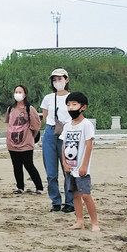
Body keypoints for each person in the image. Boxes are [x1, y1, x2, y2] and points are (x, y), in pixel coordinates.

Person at [59, 92, 99, 232]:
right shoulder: (67, 125)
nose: (71, 108)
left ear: (83, 107)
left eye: (74, 104)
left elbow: (89, 145)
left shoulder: (86, 125)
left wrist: (84, 165)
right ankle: (79, 220)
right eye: (69, 105)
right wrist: (64, 162)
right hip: (70, 167)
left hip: (82, 168)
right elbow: (63, 145)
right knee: (74, 194)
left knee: (86, 195)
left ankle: (94, 223)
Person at [40, 68, 74, 212]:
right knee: (51, 172)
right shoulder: (48, 98)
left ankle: (70, 202)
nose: (57, 82)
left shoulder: (73, 97)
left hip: (68, 133)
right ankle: (55, 201)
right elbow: (45, 117)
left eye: (60, 79)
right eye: (54, 79)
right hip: (50, 132)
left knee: (68, 169)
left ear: (66, 79)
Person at [6, 85, 44, 194]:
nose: (18, 94)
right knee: (16, 165)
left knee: (29, 164)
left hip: (26, 143)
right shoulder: (10, 109)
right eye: (16, 91)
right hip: (12, 143)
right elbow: (9, 123)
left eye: (20, 92)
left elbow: (36, 126)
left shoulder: (30, 109)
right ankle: (20, 187)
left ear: (25, 94)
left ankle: (39, 187)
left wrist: (31, 137)